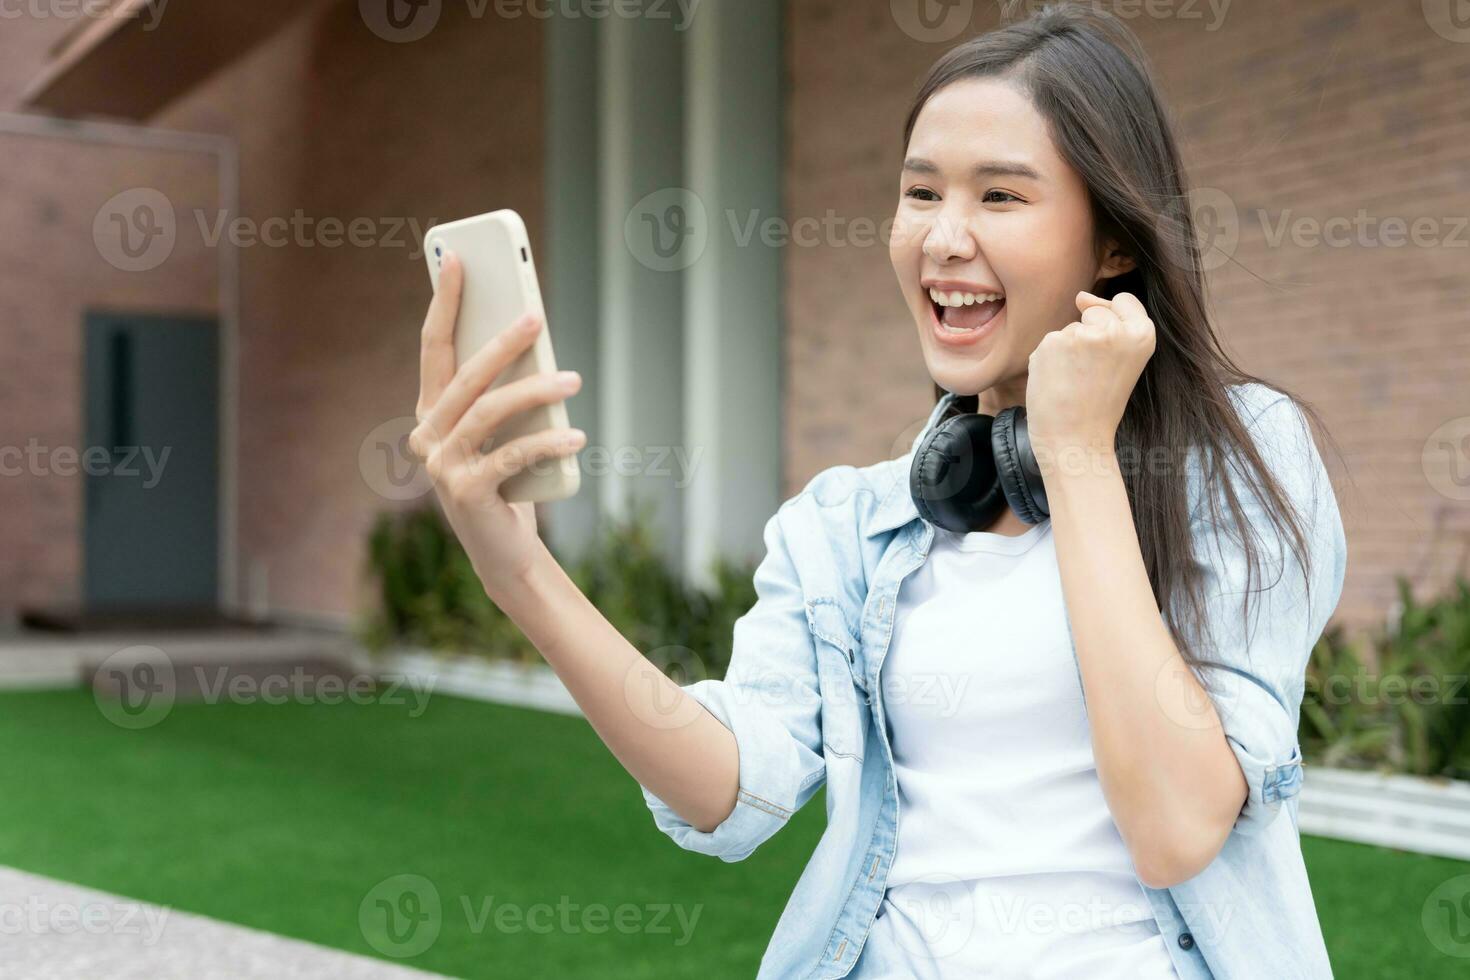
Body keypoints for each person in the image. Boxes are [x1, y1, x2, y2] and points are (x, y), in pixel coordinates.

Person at [406, 4, 1347, 977]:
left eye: (1000, 197)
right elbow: (729, 793)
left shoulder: (1245, 461)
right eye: (921, 192)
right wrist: (519, 570)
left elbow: (1178, 825)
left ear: (1114, 242)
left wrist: (1076, 453)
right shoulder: (849, 524)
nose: (943, 238)